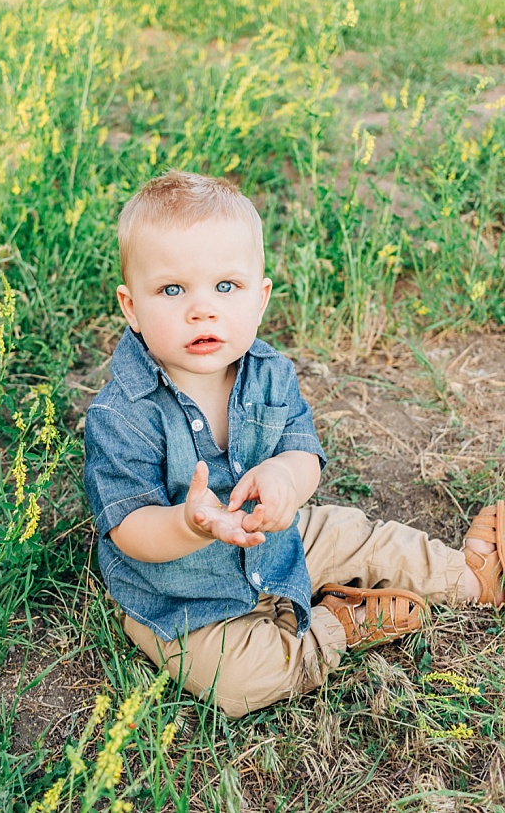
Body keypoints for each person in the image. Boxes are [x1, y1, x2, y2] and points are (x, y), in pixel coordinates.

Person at [82, 170, 505, 716]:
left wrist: (285, 475)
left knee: (358, 534)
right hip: (181, 595)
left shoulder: (269, 372)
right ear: (131, 307)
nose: (202, 309)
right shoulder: (121, 414)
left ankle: (469, 574)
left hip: (281, 543)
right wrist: (189, 525)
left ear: (260, 300)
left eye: (225, 287)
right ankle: (337, 622)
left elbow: (304, 452)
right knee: (238, 680)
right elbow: (130, 529)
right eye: (171, 289)